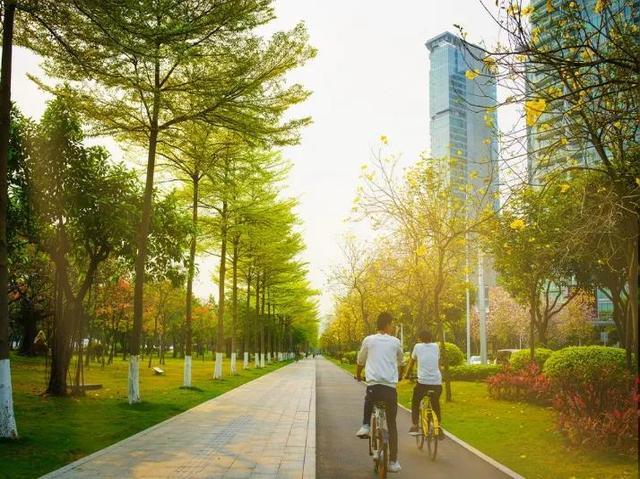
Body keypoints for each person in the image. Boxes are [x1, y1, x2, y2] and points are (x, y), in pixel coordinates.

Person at [354, 311, 404, 473]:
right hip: (390, 389)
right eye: (393, 324)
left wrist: (358, 374)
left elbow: (360, 360)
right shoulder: (396, 342)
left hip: (374, 386)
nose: (394, 327)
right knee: (392, 424)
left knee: (369, 399)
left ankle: (366, 426)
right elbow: (401, 362)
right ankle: (394, 461)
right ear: (388, 325)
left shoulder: (369, 340)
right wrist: (400, 375)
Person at [403, 329, 445, 440]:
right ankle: (438, 426)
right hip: (437, 383)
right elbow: (438, 363)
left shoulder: (417, 347)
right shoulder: (436, 346)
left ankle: (415, 425)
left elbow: (411, 363)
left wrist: (406, 375)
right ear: (431, 338)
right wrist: (441, 376)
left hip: (423, 383)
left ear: (420, 339)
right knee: (435, 402)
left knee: (415, 401)